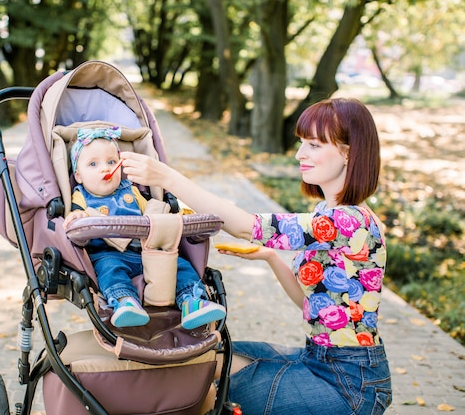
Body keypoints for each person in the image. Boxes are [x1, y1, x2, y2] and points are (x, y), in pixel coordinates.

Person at [120, 98, 392, 415]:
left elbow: (242, 226)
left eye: (314, 145)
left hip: (349, 383)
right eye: (302, 143)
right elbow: (312, 305)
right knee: (207, 358)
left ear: (348, 152)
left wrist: (167, 178)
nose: (300, 155)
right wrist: (270, 257)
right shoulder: (325, 211)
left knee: (213, 389)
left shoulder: (348, 221)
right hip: (318, 360)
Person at [63, 127, 226, 329]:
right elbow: (74, 217)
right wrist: (78, 216)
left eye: (111, 162)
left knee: (180, 265)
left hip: (147, 250)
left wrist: (173, 216)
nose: (105, 168)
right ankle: (125, 303)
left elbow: (153, 211)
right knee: (108, 270)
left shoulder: (130, 190)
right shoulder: (81, 197)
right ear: (78, 175)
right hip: (109, 253)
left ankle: (192, 302)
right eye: (93, 164)